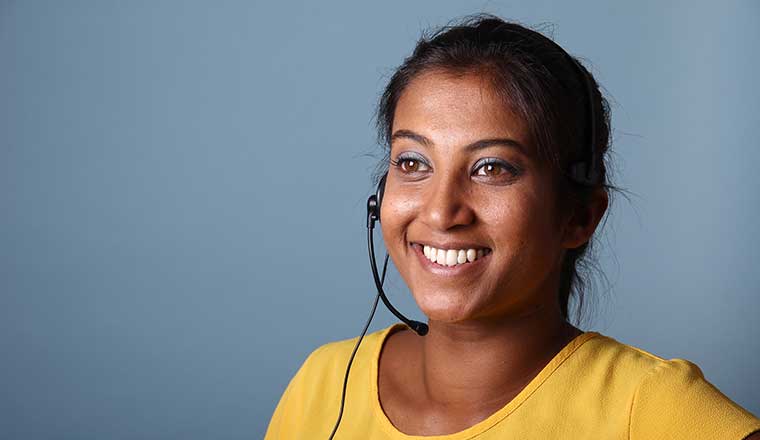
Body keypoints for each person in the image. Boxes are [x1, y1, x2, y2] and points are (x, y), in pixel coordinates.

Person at [264, 14, 760, 439]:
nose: (440, 213)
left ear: (579, 216)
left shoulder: (652, 410)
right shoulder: (324, 383)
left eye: (492, 168)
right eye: (413, 162)